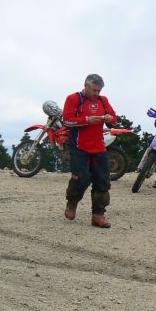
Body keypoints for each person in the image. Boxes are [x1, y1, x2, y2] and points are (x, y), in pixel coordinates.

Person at [61, 74, 117, 228]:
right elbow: (66, 120)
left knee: (103, 181)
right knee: (81, 178)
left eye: (99, 90)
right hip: (79, 146)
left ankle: (98, 215)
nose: (97, 93)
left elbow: (114, 118)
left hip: (98, 147)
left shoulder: (103, 100)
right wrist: (87, 120)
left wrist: (108, 118)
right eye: (94, 90)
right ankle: (72, 203)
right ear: (85, 86)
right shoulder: (74, 99)